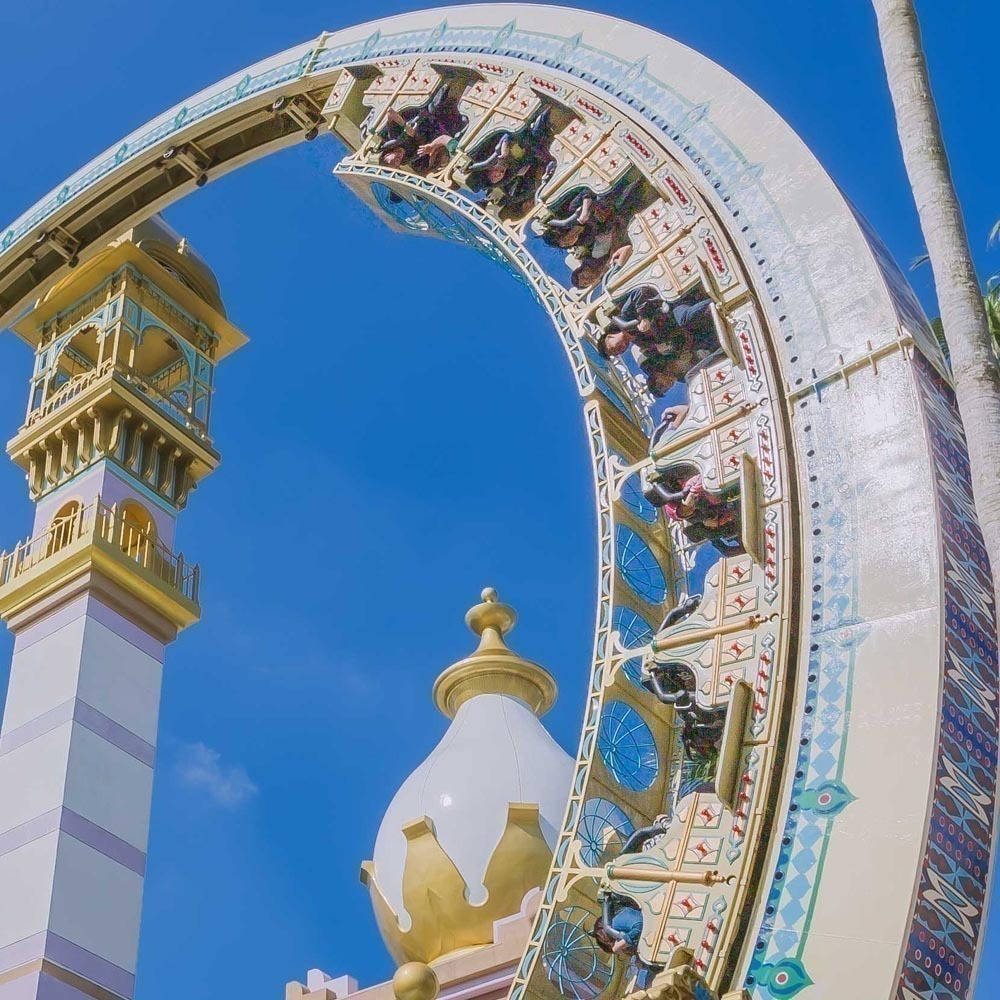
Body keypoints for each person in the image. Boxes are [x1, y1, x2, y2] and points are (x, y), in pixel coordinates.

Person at [598, 286, 719, 395]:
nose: (620, 350)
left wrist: (644, 317)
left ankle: (719, 301)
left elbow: (640, 292)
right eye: (618, 353)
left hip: (670, 307)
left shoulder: (626, 316)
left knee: (685, 318)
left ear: (610, 337)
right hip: (684, 331)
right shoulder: (644, 344)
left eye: (614, 348)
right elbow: (670, 343)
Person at [540, 174, 643, 288]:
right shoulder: (590, 242)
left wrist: (585, 212)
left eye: (583, 278)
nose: (589, 279)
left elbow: (587, 194)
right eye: (587, 283)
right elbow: (607, 232)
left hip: (606, 194)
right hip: (621, 221)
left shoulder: (574, 213)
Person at [463, 107, 554, 215]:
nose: (498, 174)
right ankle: (546, 113)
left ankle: (544, 109)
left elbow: (506, 137)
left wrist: (505, 149)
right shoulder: (515, 168)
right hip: (531, 144)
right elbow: (529, 159)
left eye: (494, 175)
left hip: (519, 131)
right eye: (499, 176)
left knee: (531, 129)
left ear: (490, 170)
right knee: (539, 138)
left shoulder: (500, 154)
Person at [374, 83, 468, 173]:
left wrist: (405, 126)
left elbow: (390, 112)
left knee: (434, 108)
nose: (396, 162)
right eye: (397, 166)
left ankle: (451, 82)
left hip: (423, 115)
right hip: (434, 128)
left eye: (391, 162)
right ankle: (465, 95)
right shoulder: (409, 157)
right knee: (456, 125)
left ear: (386, 155)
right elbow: (431, 144)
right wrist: (431, 147)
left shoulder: (393, 138)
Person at [592, 893, 645, 958]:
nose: (626, 951)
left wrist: (619, 946)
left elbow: (640, 924)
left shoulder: (615, 922)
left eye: (624, 949)